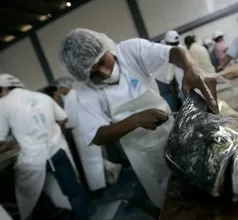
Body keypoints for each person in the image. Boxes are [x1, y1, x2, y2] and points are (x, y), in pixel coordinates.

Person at [59, 28, 217, 208]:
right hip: (141, 154)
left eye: (102, 61)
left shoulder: (129, 51)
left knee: (195, 184)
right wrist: (134, 121)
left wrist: (191, 67)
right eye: (93, 74)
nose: (104, 72)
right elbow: (97, 135)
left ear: (105, 49)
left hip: (170, 134)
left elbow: (174, 52)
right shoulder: (84, 91)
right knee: (170, 202)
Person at [0, 74, 89, 220]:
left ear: (3, 89)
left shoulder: (3, 104)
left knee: (28, 193)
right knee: (72, 189)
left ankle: (50, 213)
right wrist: (53, 132)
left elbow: (1, 140)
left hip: (33, 158)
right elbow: (63, 117)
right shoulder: (41, 97)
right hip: (57, 150)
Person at [56, 76, 122, 191]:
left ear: (64, 87)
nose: (60, 91)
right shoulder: (79, 93)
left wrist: (65, 127)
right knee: (97, 157)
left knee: (90, 161)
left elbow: (70, 119)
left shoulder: (70, 97)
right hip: (92, 128)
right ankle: (105, 181)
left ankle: (98, 186)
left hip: (81, 132)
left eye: (60, 88)